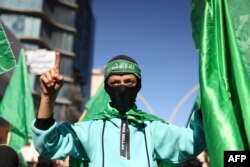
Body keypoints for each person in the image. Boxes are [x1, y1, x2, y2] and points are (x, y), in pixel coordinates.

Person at [32, 53, 206, 167]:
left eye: (129, 82)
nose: (122, 87)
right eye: (114, 83)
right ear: (106, 88)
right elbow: (48, 145)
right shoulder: (90, 129)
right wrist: (48, 97)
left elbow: (192, 142)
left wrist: (206, 101)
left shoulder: (153, 128)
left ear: (139, 86)